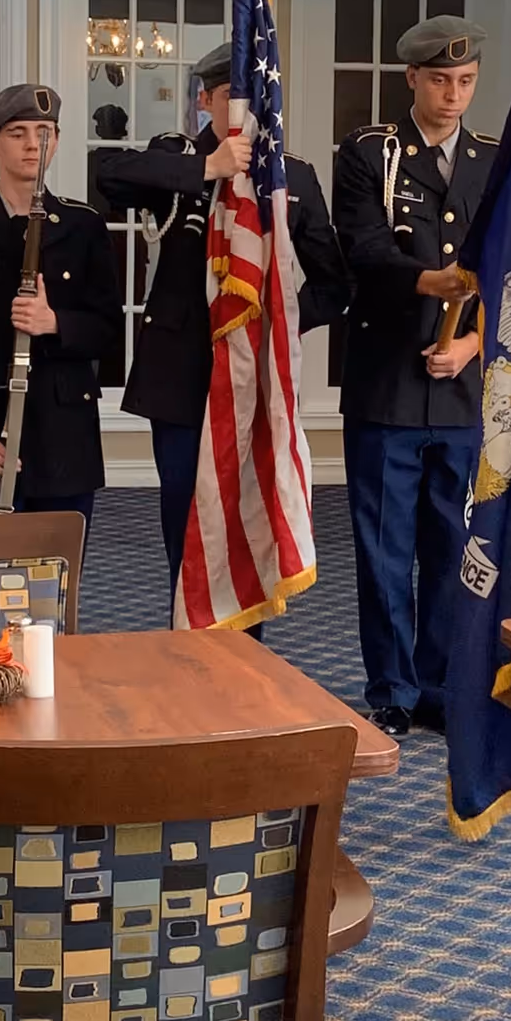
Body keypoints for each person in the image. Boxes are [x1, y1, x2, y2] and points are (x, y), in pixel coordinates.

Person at [93, 41, 349, 618]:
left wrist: (276, 330)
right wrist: (208, 168)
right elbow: (111, 175)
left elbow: (335, 286)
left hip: (252, 383)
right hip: (181, 381)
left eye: (253, 95)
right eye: (230, 95)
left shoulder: (294, 179)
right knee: (186, 522)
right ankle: (188, 658)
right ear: (204, 99)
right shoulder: (177, 156)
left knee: (248, 524)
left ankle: (244, 661)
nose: (243, 107)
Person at [332, 15, 498, 738]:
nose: (453, 94)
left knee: (449, 545)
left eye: (464, 81)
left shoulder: (495, 160)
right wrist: (430, 281)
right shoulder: (371, 152)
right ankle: (392, 688)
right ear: (412, 80)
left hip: (460, 389)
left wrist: (473, 348)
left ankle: (435, 683)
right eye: (439, 80)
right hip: (387, 385)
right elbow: (361, 248)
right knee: (385, 548)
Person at [0, 83, 122, 528]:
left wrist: (55, 322)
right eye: (17, 132)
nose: (33, 143)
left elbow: (109, 331)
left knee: (58, 586)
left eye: (44, 131)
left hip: (65, 439)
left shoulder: (83, 225)